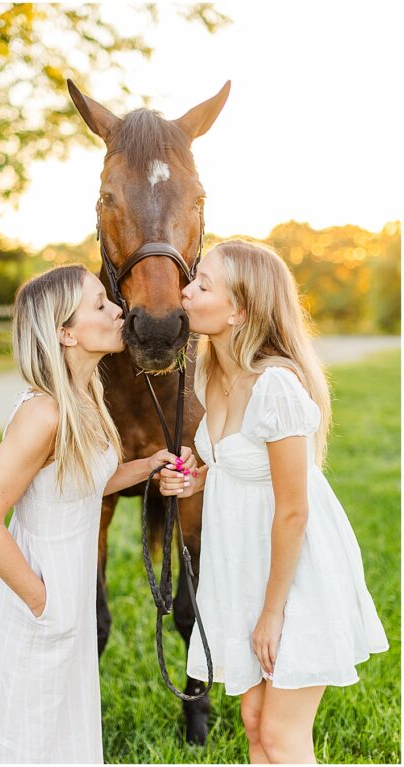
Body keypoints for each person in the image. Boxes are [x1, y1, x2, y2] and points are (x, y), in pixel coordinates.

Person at [160, 239, 388, 763]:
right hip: (244, 565)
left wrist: (271, 613)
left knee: (283, 736)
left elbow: (293, 509)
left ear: (238, 310)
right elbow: (239, 468)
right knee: (255, 721)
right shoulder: (212, 373)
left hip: (290, 575)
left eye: (202, 285)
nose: (186, 291)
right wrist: (197, 479)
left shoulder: (277, 387)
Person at [0, 264, 195, 764]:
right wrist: (43, 605)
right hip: (38, 608)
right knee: (28, 745)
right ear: (65, 332)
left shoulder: (85, 398)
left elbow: (80, 485)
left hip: (69, 605)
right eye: (100, 304)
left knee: (68, 742)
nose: (119, 309)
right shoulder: (43, 413)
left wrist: (149, 466)